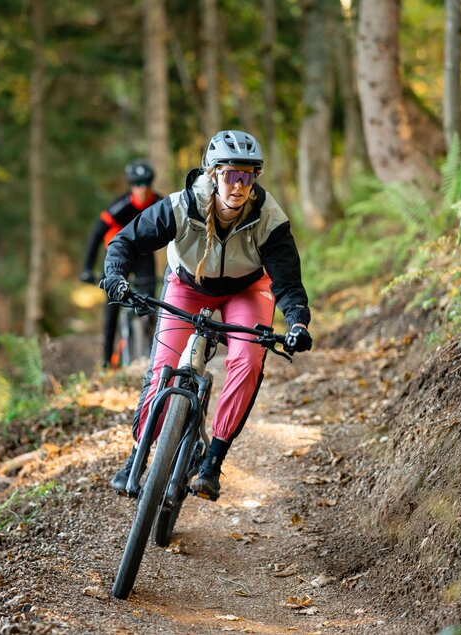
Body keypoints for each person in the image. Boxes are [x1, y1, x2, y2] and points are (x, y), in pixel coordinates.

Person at [100, 130, 313, 501]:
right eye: (231, 175)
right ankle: (138, 455)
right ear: (213, 174)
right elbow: (126, 241)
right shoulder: (181, 206)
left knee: (247, 359)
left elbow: (288, 282)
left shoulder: (269, 219)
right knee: (163, 366)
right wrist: (116, 276)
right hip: (186, 283)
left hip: (246, 289)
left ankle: (212, 460)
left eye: (248, 177)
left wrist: (297, 322)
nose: (239, 186)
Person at [80, 159, 162, 368]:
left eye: (145, 184)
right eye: (137, 184)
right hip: (119, 257)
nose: (141, 189)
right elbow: (96, 235)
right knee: (112, 306)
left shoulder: (159, 203)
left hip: (144, 256)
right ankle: (107, 361)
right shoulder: (120, 205)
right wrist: (87, 269)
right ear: (131, 185)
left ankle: (154, 354)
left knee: (150, 303)